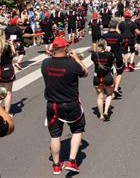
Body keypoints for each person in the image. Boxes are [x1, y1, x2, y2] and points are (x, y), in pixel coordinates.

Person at [41, 37, 88, 174]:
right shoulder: (72, 65)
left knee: (55, 135)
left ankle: (56, 165)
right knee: (77, 130)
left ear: (53, 49)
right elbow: (85, 73)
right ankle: (72, 161)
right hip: (70, 104)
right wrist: (77, 59)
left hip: (52, 104)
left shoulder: (45, 63)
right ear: (66, 48)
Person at [0, 30, 16, 114]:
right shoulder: (6, 46)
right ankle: (6, 112)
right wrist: (12, 44)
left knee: (1, 91)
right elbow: (13, 54)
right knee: (8, 92)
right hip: (6, 70)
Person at [91, 38, 115, 121]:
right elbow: (112, 62)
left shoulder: (94, 54)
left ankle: (101, 115)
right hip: (107, 77)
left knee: (99, 97)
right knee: (109, 94)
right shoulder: (109, 54)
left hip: (97, 77)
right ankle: (106, 111)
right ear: (105, 45)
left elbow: (94, 61)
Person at [102, 18, 125, 98]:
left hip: (108, 56)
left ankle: (109, 87)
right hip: (117, 55)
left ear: (109, 26)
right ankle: (116, 88)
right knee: (119, 72)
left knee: (109, 72)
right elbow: (123, 45)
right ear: (116, 26)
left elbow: (102, 46)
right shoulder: (119, 36)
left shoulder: (104, 36)